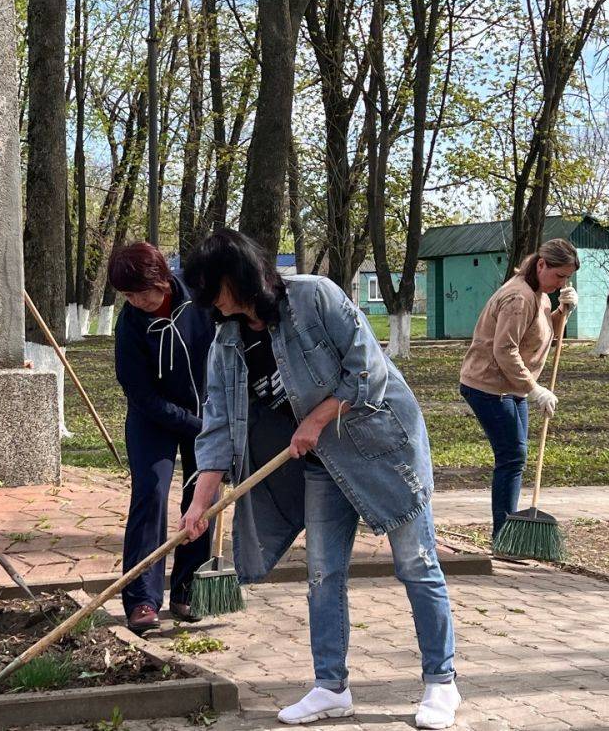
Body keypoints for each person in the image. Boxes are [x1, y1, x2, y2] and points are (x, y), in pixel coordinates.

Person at [178, 229, 460, 729]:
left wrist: (317, 417)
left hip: (381, 449)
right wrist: (200, 502)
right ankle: (331, 687)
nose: (207, 302)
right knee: (322, 575)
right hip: (321, 467)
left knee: (416, 564)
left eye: (211, 288)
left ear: (238, 276)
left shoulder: (314, 297)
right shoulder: (225, 341)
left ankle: (441, 682)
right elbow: (217, 425)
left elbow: (368, 369)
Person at [109, 242, 215, 634]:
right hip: (152, 418)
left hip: (206, 410)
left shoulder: (200, 296)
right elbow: (142, 396)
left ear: (163, 278)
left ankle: (189, 590)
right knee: (151, 493)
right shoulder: (130, 325)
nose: (139, 301)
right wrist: (193, 424)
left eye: (145, 291)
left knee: (203, 497)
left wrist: (214, 419)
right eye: (129, 295)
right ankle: (142, 599)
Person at [459, 238, 580, 537]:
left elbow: (537, 334)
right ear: (541, 264)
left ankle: (506, 532)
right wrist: (535, 389)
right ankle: (503, 535)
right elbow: (505, 350)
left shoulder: (540, 294)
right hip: (487, 385)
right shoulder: (519, 297)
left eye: (567, 278)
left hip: (510, 386)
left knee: (516, 457)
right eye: (559, 275)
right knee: (512, 456)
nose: (561, 282)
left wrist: (562, 313)